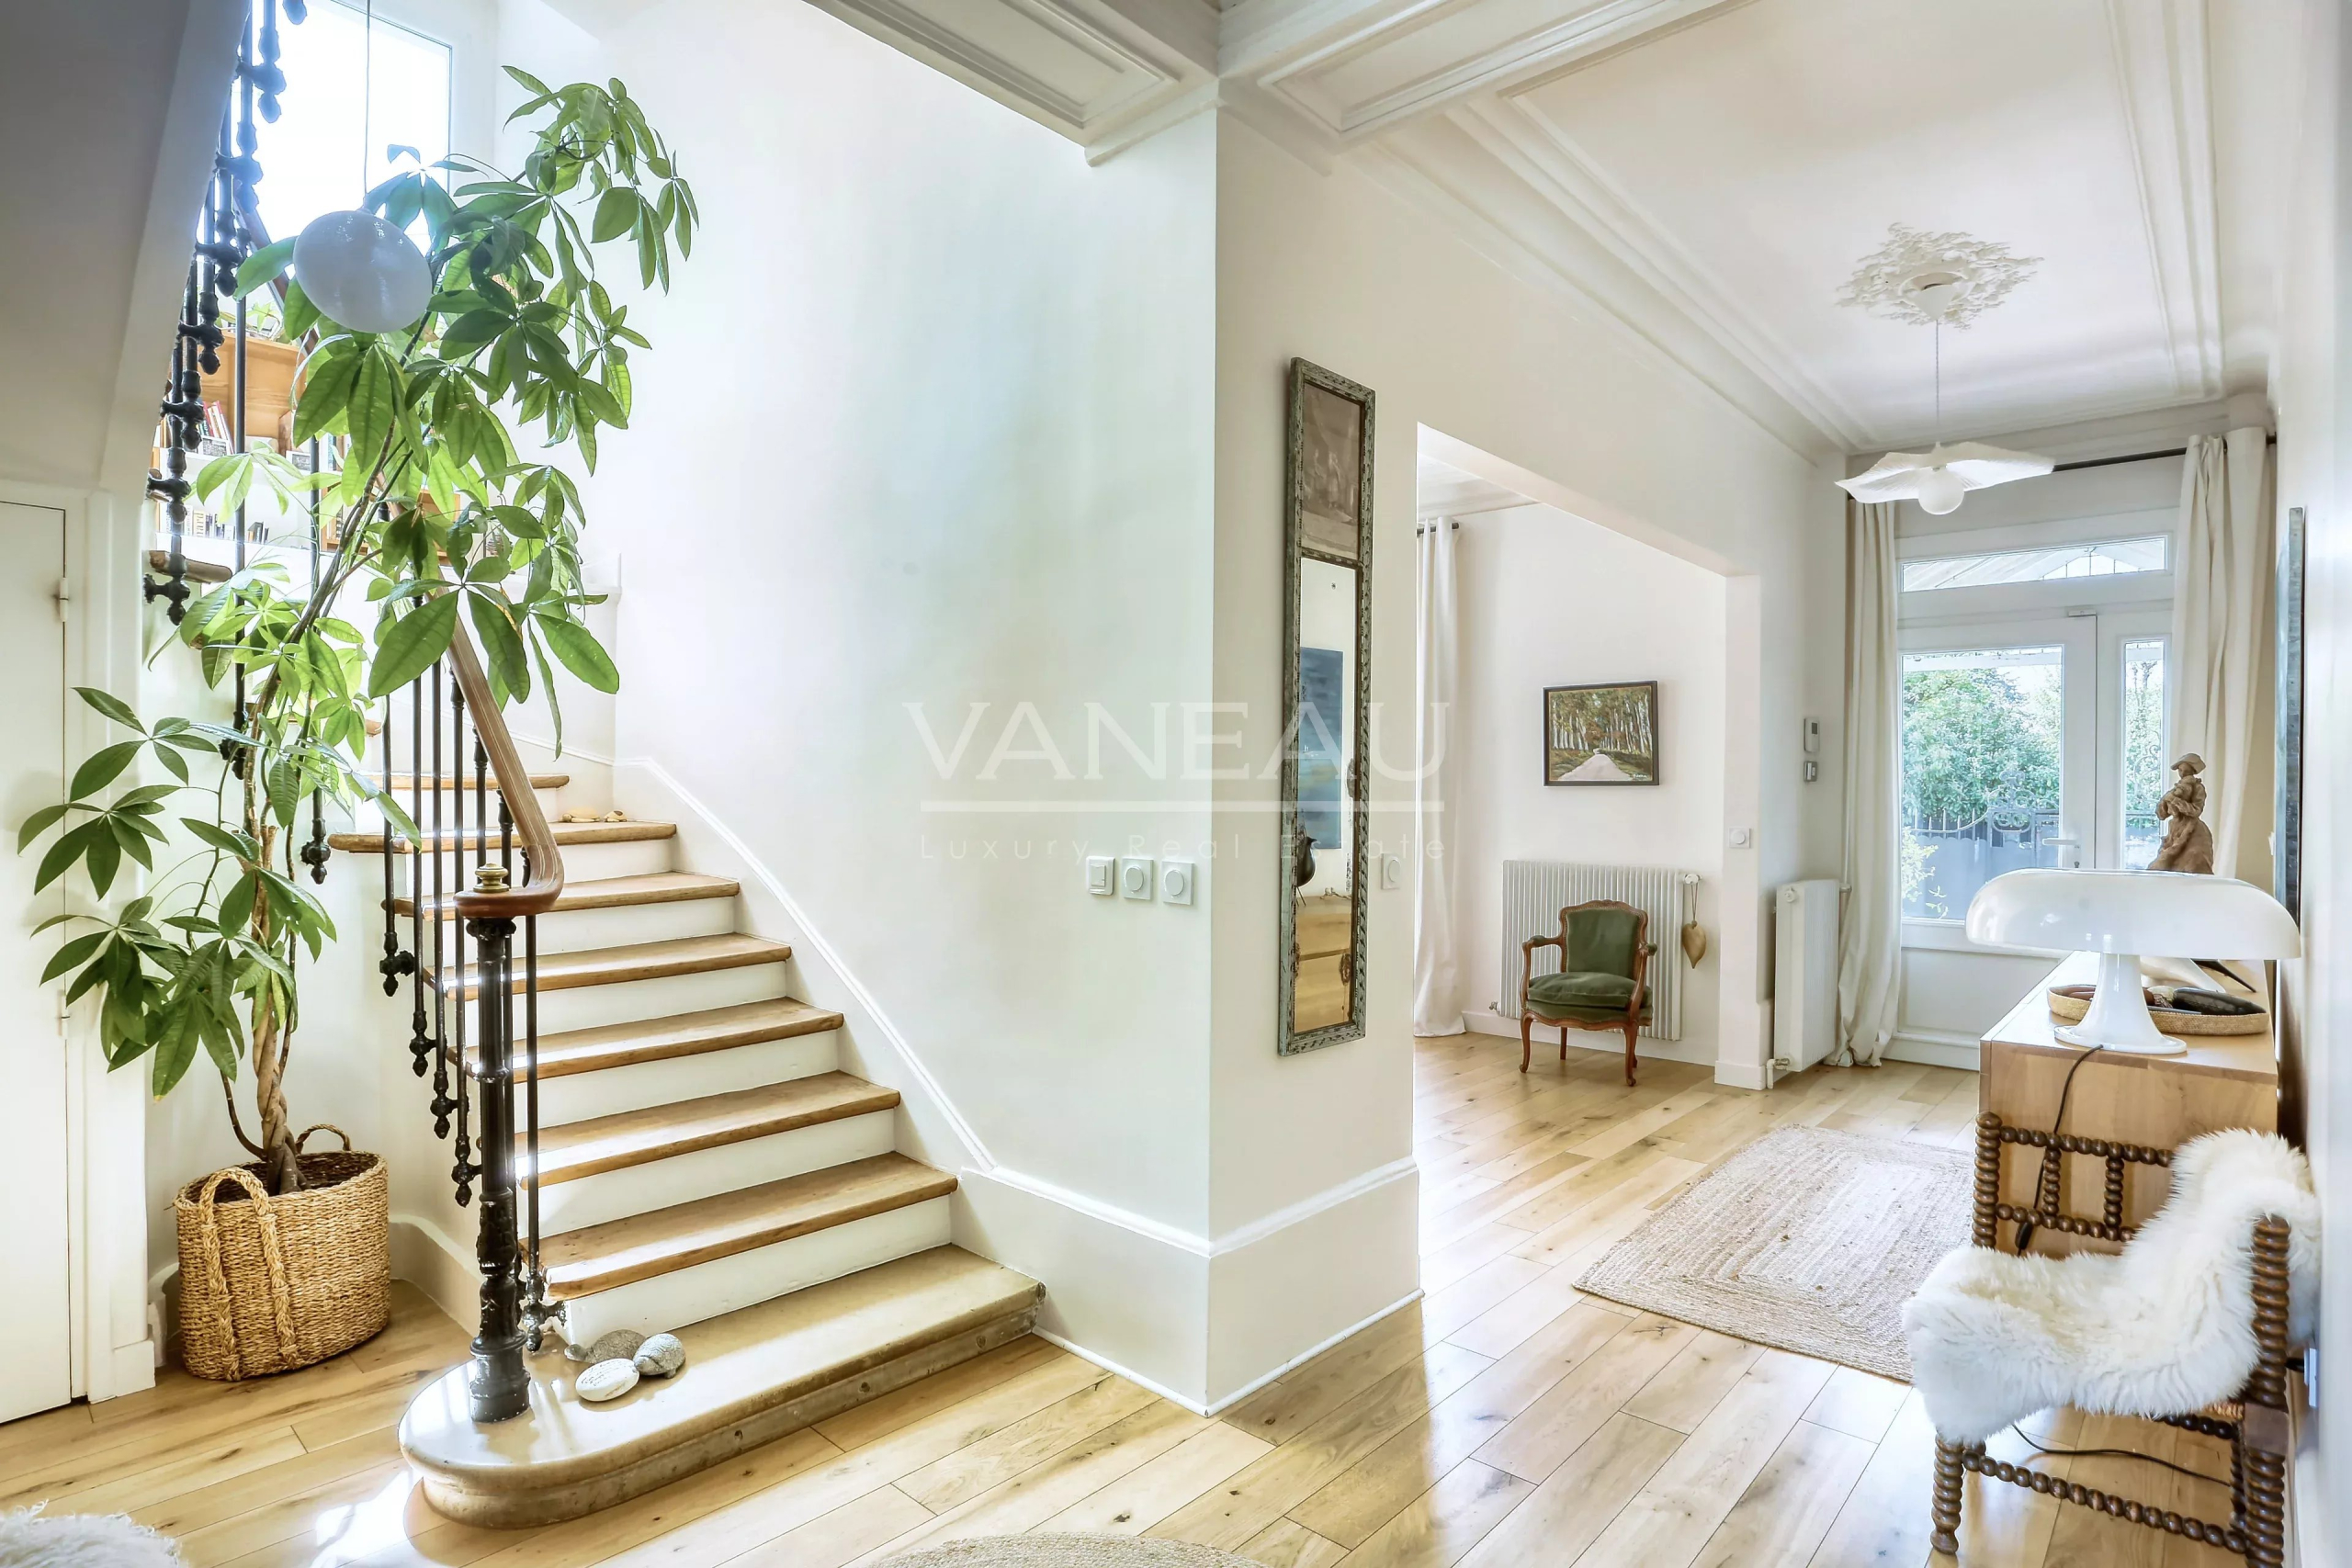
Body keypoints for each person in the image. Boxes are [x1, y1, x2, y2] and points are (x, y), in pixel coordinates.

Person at [2148, 752, 2214, 874]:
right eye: (2181, 770)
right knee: (2165, 864)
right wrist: (2166, 801)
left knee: (2194, 860)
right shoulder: (2175, 790)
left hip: (2193, 831)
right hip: (2175, 830)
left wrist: (2177, 801)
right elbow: (2161, 815)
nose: (2183, 773)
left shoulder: (2198, 788)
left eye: (2187, 771)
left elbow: (2196, 811)